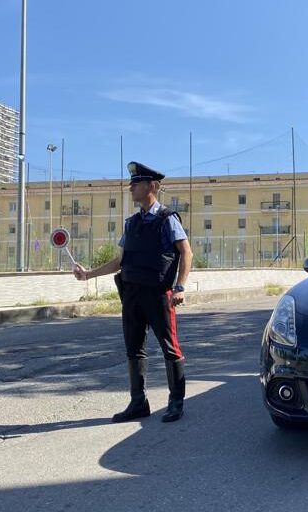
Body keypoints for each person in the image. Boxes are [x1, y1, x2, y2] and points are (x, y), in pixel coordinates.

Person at [74, 161, 194, 423]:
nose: (131, 188)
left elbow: (186, 252)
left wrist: (180, 286)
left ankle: (176, 403)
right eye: (131, 183)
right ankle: (138, 403)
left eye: (136, 183)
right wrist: (88, 274)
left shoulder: (167, 219)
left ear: (152, 186)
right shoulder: (132, 223)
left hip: (159, 294)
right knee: (134, 349)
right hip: (131, 294)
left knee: (169, 348)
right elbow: (120, 261)